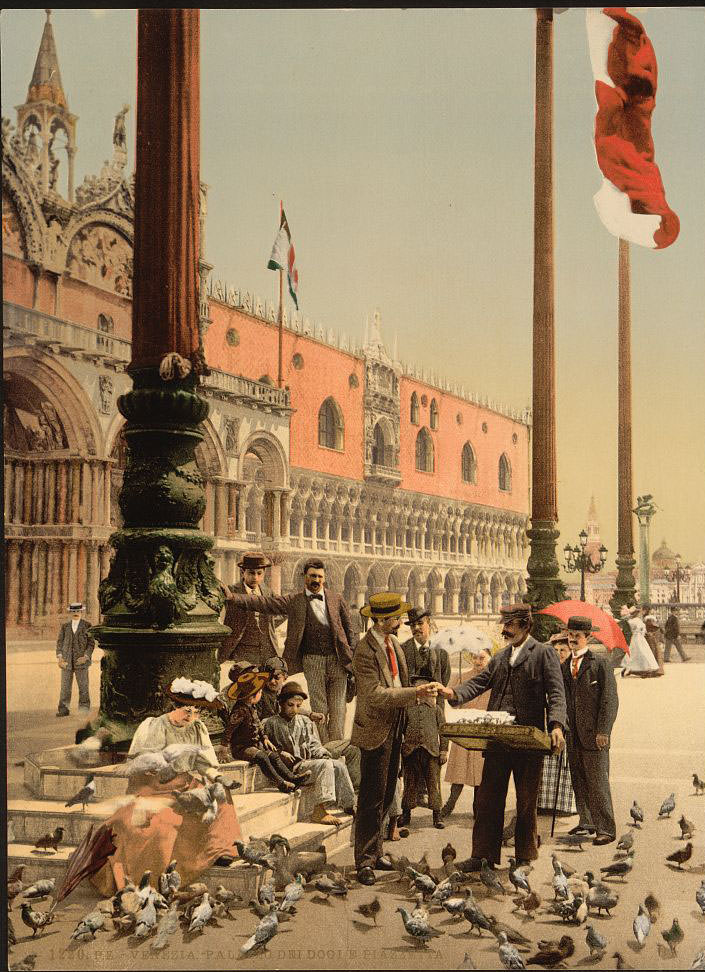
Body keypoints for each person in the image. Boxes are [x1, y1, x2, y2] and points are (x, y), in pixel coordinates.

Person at [437, 603, 566, 870]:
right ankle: (482, 855)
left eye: (510, 625)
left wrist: (556, 726)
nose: (505, 630)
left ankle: (524, 857)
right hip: (497, 737)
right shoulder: (500, 656)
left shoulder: (543, 654)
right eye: (504, 625)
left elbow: (556, 693)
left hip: (529, 740)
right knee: (487, 798)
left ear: (525, 626)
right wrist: (454, 694)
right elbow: (480, 682)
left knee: (526, 800)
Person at [92, 678, 242, 896]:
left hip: (184, 782)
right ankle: (152, 879)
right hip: (154, 785)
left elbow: (202, 762)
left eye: (196, 712)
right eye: (187, 711)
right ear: (174, 708)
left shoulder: (197, 728)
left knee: (220, 795)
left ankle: (220, 849)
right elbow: (144, 763)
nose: (191, 717)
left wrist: (218, 777)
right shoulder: (155, 726)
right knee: (162, 823)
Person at [352, 592, 443, 885]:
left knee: (388, 791)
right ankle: (363, 860)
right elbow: (374, 694)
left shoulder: (395, 646)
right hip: (375, 729)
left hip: (395, 727)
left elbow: (400, 684)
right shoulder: (364, 650)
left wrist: (421, 696)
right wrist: (414, 694)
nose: (401, 621)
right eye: (395, 617)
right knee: (370, 797)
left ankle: (377, 852)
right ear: (380, 620)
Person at [224, 558, 355, 744]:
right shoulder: (294, 600)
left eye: (319, 576)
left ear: (324, 578)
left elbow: (350, 631)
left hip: (338, 661)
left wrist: (353, 657)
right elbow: (264, 603)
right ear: (305, 577)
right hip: (312, 660)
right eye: (312, 576)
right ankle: (326, 749)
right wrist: (234, 597)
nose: (316, 580)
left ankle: (338, 746)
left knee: (339, 709)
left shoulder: (337, 599)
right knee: (320, 708)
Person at [561, 616, 619, 845]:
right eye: (570, 634)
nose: (572, 639)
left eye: (577, 635)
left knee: (598, 781)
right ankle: (587, 822)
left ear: (588, 637)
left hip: (595, 735)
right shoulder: (564, 665)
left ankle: (606, 828)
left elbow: (610, 700)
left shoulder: (600, 663)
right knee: (578, 778)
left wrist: (603, 731)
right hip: (572, 734)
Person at [264, 681, 355, 825]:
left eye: (298, 706)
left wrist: (323, 753)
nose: (294, 709)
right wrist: (281, 753)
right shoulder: (271, 723)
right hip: (290, 770)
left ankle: (349, 804)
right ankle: (319, 810)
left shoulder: (304, 721)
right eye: (290, 705)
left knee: (337, 764)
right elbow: (265, 746)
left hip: (307, 765)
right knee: (325, 766)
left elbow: (313, 744)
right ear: (281, 703)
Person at [226, 668, 311, 793]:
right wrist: (223, 747)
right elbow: (229, 729)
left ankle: (293, 778)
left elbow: (258, 726)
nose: (261, 694)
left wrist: (265, 738)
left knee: (274, 755)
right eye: (260, 692)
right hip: (241, 747)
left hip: (253, 745)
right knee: (263, 757)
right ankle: (281, 783)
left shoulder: (252, 708)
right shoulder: (240, 710)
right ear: (252, 694)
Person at [401, 606, 450, 810]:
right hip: (411, 709)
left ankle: (433, 802)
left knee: (432, 759)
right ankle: (412, 802)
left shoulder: (441, 652)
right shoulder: (403, 650)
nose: (416, 628)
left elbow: (444, 681)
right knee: (412, 757)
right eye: (412, 625)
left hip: (434, 709)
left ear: (429, 623)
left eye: (420, 624)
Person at [441, 645, 492, 819]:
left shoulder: (494, 680)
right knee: (459, 771)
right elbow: (452, 701)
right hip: (464, 728)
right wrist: (455, 696)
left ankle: (478, 807)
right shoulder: (462, 677)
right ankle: (450, 804)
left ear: (490, 659)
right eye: (475, 658)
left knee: (480, 773)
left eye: (482, 658)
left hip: (483, 730)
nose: (478, 662)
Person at [399, 675, 449, 830]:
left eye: (426, 688)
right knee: (410, 784)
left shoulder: (436, 709)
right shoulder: (407, 708)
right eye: (419, 688)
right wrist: (402, 750)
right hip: (411, 751)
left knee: (433, 783)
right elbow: (400, 730)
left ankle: (437, 815)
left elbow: (444, 731)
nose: (423, 691)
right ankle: (406, 813)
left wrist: (443, 750)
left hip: (431, 752)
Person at [220, 552, 284, 672]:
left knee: (266, 684)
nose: (255, 577)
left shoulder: (268, 593)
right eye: (251, 573)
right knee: (247, 683)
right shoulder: (232, 591)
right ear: (242, 572)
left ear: (264, 573)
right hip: (243, 650)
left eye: (259, 573)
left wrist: (270, 627)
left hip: (268, 648)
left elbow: (282, 610)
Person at [538, 632, 577, 816]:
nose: (559, 653)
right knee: (548, 761)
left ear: (570, 651)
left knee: (565, 761)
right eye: (556, 650)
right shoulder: (546, 668)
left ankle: (564, 805)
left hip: (568, 719)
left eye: (563, 650)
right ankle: (545, 802)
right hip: (550, 717)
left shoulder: (573, 670)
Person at [56, 602, 95, 717]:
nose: (76, 614)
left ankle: (83, 709)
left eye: (78, 611)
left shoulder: (87, 625)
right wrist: (60, 658)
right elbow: (59, 643)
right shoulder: (65, 626)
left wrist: (86, 657)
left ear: (81, 612)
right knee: (65, 688)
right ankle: (63, 709)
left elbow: (91, 644)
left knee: (83, 686)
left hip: (81, 661)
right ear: (70, 613)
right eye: (73, 612)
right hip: (66, 661)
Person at [620, 605, 660, 677]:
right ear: (636, 614)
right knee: (642, 652)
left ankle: (631, 667)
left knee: (634, 653)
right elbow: (642, 629)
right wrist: (643, 631)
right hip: (639, 638)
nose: (639, 614)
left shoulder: (631, 621)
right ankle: (645, 668)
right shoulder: (637, 620)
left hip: (636, 637)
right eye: (637, 613)